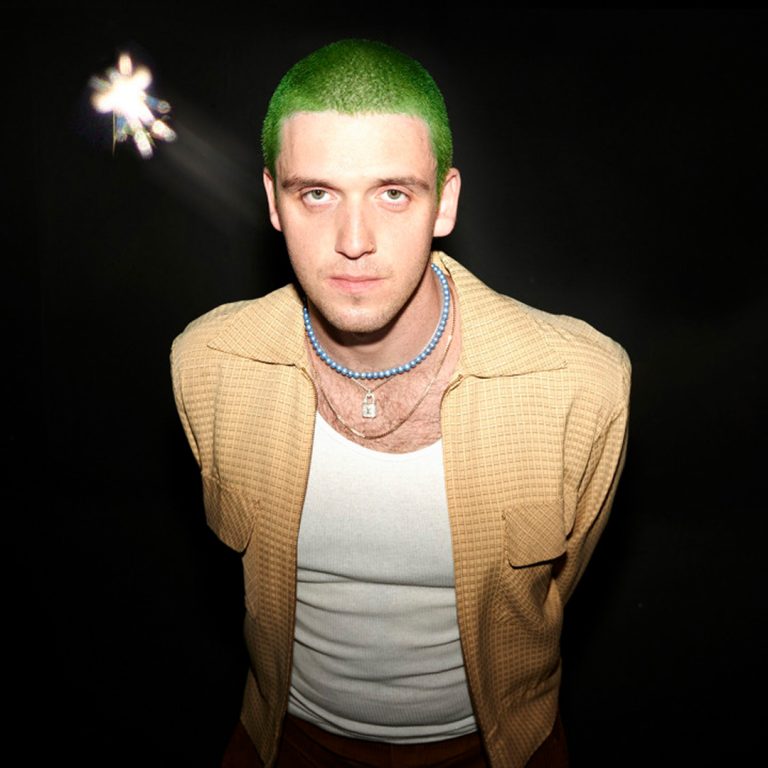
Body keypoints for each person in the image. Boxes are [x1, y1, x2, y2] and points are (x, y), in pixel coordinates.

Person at [171, 39, 631, 768]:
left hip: (501, 749)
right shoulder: (208, 365)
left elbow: (556, 590)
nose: (354, 241)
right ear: (273, 202)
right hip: (285, 739)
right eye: (316, 193)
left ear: (444, 202)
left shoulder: (581, 381)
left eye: (393, 193)